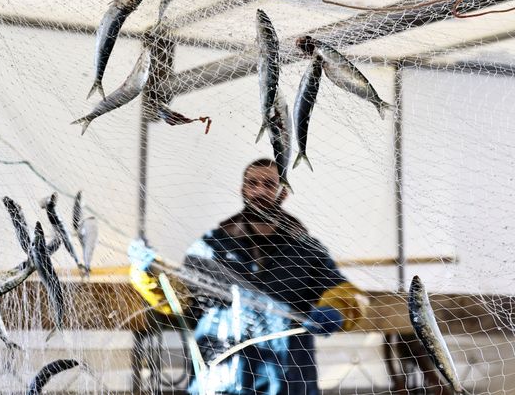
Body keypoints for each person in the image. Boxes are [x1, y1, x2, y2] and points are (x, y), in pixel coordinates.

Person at [129, 158, 367, 395]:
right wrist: (148, 274)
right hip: (221, 380)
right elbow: (180, 299)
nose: (260, 190)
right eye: (252, 183)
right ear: (242, 190)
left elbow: (349, 295)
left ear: (284, 192)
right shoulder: (210, 247)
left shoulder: (306, 249)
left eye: (269, 184)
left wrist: (335, 310)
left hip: (288, 382)